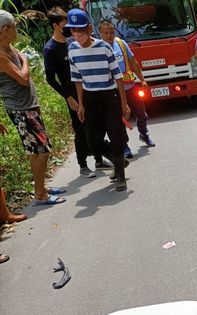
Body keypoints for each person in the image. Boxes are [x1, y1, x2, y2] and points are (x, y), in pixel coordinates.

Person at [0, 10, 65, 206]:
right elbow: (22, 78)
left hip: (29, 106)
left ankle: (41, 188)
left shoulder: (10, 49)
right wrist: (26, 60)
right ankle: (40, 195)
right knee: (42, 150)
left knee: (35, 150)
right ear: (4, 29)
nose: (16, 30)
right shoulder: (1, 55)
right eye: (14, 27)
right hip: (20, 109)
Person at [66, 8, 130, 191]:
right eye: (74, 31)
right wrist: (80, 105)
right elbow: (77, 79)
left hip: (109, 95)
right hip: (89, 98)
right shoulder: (72, 49)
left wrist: (124, 104)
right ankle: (117, 160)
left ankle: (120, 176)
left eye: (81, 30)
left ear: (89, 28)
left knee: (115, 134)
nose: (78, 34)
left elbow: (118, 77)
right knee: (93, 141)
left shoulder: (104, 47)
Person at [44, 6, 106, 178]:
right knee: (81, 129)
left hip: (88, 90)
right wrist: (68, 97)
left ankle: (99, 160)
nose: (70, 27)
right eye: (66, 24)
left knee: (96, 125)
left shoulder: (73, 42)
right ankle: (83, 165)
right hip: (72, 94)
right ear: (57, 26)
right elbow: (50, 79)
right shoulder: (50, 49)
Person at [98, 19, 155, 158]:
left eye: (111, 32)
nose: (109, 35)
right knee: (119, 119)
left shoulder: (121, 43)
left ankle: (144, 134)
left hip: (130, 87)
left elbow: (133, 62)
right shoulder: (98, 48)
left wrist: (142, 79)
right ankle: (124, 145)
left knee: (141, 113)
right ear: (100, 33)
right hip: (113, 90)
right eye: (106, 33)